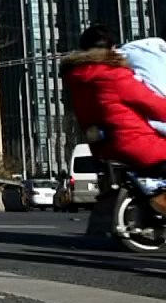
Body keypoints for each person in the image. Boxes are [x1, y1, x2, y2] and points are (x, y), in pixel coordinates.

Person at [61, 24, 166, 215]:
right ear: (112, 48)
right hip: (136, 145)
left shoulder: (76, 80)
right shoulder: (114, 75)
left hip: (103, 149)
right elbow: (152, 104)